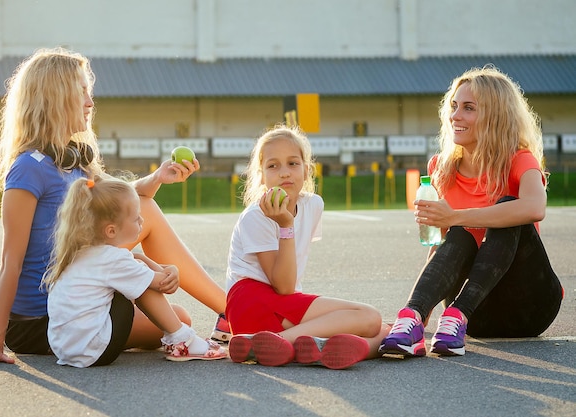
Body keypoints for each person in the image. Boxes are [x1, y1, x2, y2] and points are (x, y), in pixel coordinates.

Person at [0, 47, 227, 367]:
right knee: (173, 313)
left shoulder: (75, 161)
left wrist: (158, 176)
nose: (90, 101)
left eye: (90, 92)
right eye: (81, 91)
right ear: (54, 97)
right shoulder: (29, 168)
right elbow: (10, 262)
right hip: (44, 320)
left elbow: (122, 197)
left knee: (177, 313)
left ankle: (229, 310)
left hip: (78, 295)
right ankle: (232, 310)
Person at [379, 65, 564, 357]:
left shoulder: (520, 159)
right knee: (459, 234)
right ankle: (410, 320)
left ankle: (455, 315)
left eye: (468, 108)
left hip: (530, 306)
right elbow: (441, 250)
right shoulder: (441, 168)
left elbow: (534, 207)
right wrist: (421, 310)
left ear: (496, 115)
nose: (455, 116)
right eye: (453, 106)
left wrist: (455, 216)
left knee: (507, 210)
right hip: (475, 315)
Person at [225, 124, 390, 370]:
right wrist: (285, 226)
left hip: (280, 308)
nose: (284, 173)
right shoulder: (255, 216)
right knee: (370, 318)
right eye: (273, 166)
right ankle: (277, 342)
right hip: (251, 304)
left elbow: (289, 286)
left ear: (306, 169)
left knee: (385, 330)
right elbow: (283, 286)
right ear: (261, 175)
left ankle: (310, 347)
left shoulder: (313, 205)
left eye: (293, 163)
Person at [43, 175, 226, 367]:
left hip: (66, 350)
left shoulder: (80, 253)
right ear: (111, 231)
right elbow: (162, 284)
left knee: (138, 269)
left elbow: (135, 264)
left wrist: (145, 260)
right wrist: (171, 270)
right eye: (136, 218)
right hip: (94, 350)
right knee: (141, 278)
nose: (142, 220)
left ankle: (176, 336)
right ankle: (182, 339)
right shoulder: (113, 259)